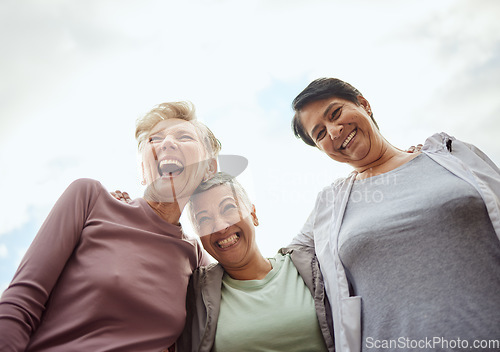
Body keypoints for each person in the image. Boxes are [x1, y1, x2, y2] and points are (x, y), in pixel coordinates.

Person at [289, 78, 500, 351]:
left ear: (364, 104)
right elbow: (279, 268)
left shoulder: (453, 155)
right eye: (319, 134)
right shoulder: (330, 206)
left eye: (335, 113)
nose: (333, 131)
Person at [0, 102, 220, 352]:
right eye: (155, 139)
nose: (167, 143)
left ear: (208, 170)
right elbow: (21, 302)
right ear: (143, 172)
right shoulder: (90, 199)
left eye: (183, 136)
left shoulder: (198, 260)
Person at [177, 172, 335, 352]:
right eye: (204, 219)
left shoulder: (308, 267)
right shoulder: (194, 293)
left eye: (228, 208)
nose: (220, 226)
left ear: (253, 214)